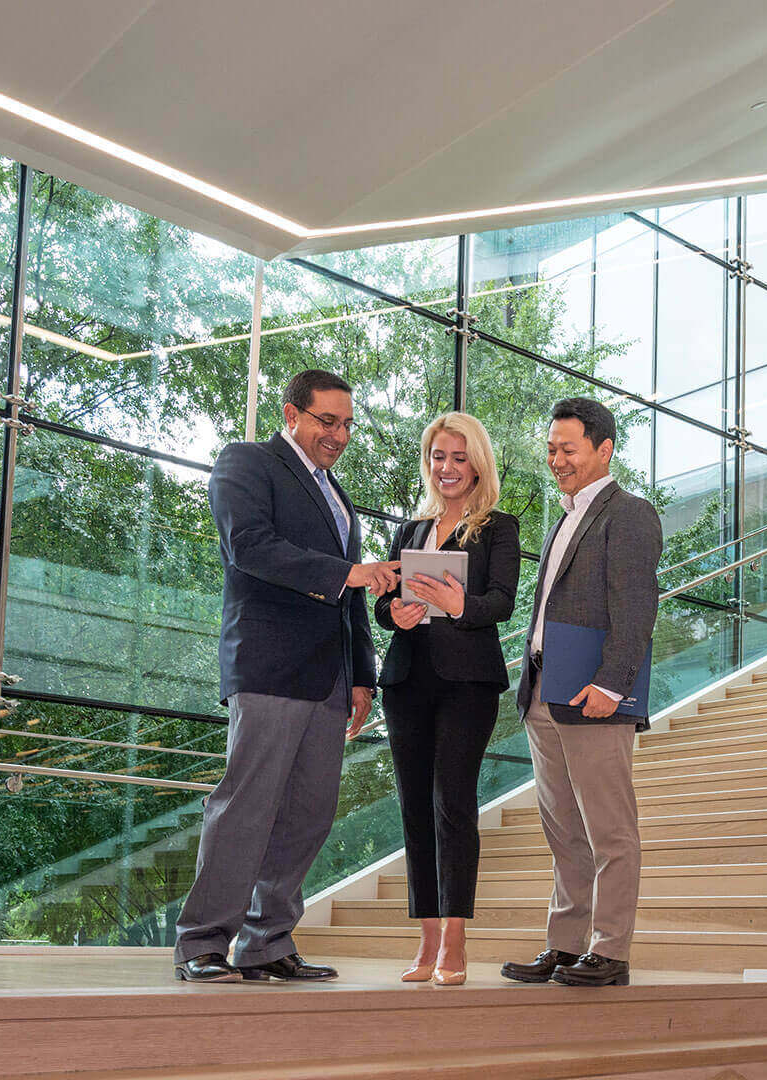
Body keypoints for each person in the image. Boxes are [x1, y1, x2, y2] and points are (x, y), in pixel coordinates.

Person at [173, 368, 399, 984]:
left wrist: (362, 677)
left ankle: (266, 941)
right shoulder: (247, 462)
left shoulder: (338, 496)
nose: (339, 434)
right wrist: (347, 573)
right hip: (269, 666)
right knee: (246, 806)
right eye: (328, 420)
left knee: (309, 813)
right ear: (292, 414)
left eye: (348, 423)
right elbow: (248, 546)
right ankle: (202, 941)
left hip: (329, 678)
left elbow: (352, 597)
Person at [499, 397, 661, 989]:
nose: (557, 459)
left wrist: (613, 686)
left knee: (609, 831)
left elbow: (636, 610)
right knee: (563, 830)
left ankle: (610, 951)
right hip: (544, 690)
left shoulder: (630, 514)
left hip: (594, 696)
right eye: (551, 449)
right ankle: (566, 946)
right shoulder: (562, 519)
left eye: (568, 449)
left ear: (604, 449)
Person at [375, 412, 521, 987]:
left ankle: (456, 941)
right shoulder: (410, 531)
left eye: (460, 458)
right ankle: (427, 938)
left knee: (451, 804)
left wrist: (460, 605)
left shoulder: (499, 528)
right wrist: (397, 613)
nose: (447, 468)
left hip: (468, 683)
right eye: (439, 457)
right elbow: (381, 606)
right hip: (408, 679)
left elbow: (502, 602)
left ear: (477, 463)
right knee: (414, 807)